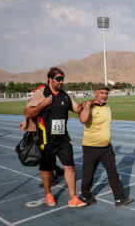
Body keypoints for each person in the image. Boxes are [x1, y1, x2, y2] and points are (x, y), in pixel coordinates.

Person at [24, 67, 87, 207]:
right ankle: (48, 194)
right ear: (50, 79)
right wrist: (44, 104)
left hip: (63, 137)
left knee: (70, 166)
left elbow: (77, 108)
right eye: (58, 79)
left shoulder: (65, 95)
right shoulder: (41, 93)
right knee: (46, 169)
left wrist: (87, 104)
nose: (61, 82)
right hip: (45, 139)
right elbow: (28, 113)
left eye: (63, 79)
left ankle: (72, 198)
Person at [79, 83, 133, 207]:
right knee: (88, 174)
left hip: (107, 148)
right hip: (91, 147)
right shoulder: (89, 106)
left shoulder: (107, 106)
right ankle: (85, 196)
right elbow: (82, 120)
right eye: (101, 93)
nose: (104, 95)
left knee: (113, 172)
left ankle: (119, 198)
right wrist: (87, 105)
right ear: (95, 93)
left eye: (106, 93)